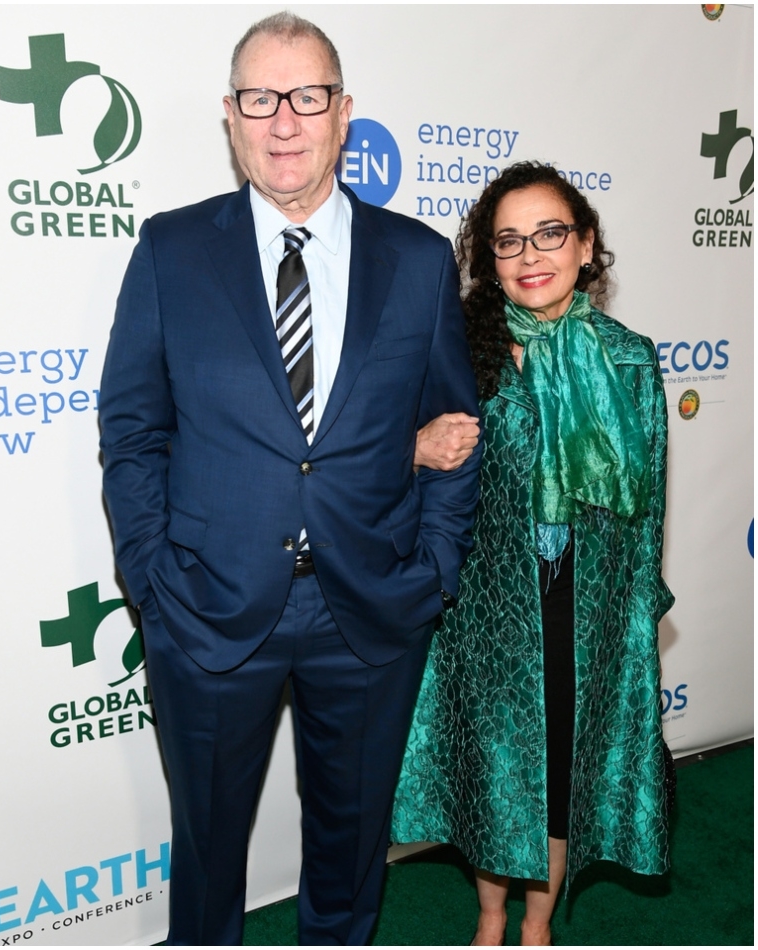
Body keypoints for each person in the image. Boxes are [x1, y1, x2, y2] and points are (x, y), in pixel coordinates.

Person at [98, 12, 481, 947]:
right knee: (208, 857)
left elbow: (458, 433)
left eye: (307, 98)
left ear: (344, 113)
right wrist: (153, 579)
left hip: (371, 611)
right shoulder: (170, 250)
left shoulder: (421, 260)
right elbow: (133, 430)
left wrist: (430, 575)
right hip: (207, 609)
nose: (284, 123)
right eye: (261, 99)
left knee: (350, 863)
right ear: (229, 116)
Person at [393, 161, 674, 946]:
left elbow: (648, 500)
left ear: (586, 246)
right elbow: (419, 475)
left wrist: (637, 613)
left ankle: (539, 926)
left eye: (549, 233)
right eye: (508, 240)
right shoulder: (462, 356)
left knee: (562, 774)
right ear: (490, 259)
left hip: (590, 607)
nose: (530, 255)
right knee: (497, 766)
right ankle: (489, 919)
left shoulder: (630, 359)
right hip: (489, 608)